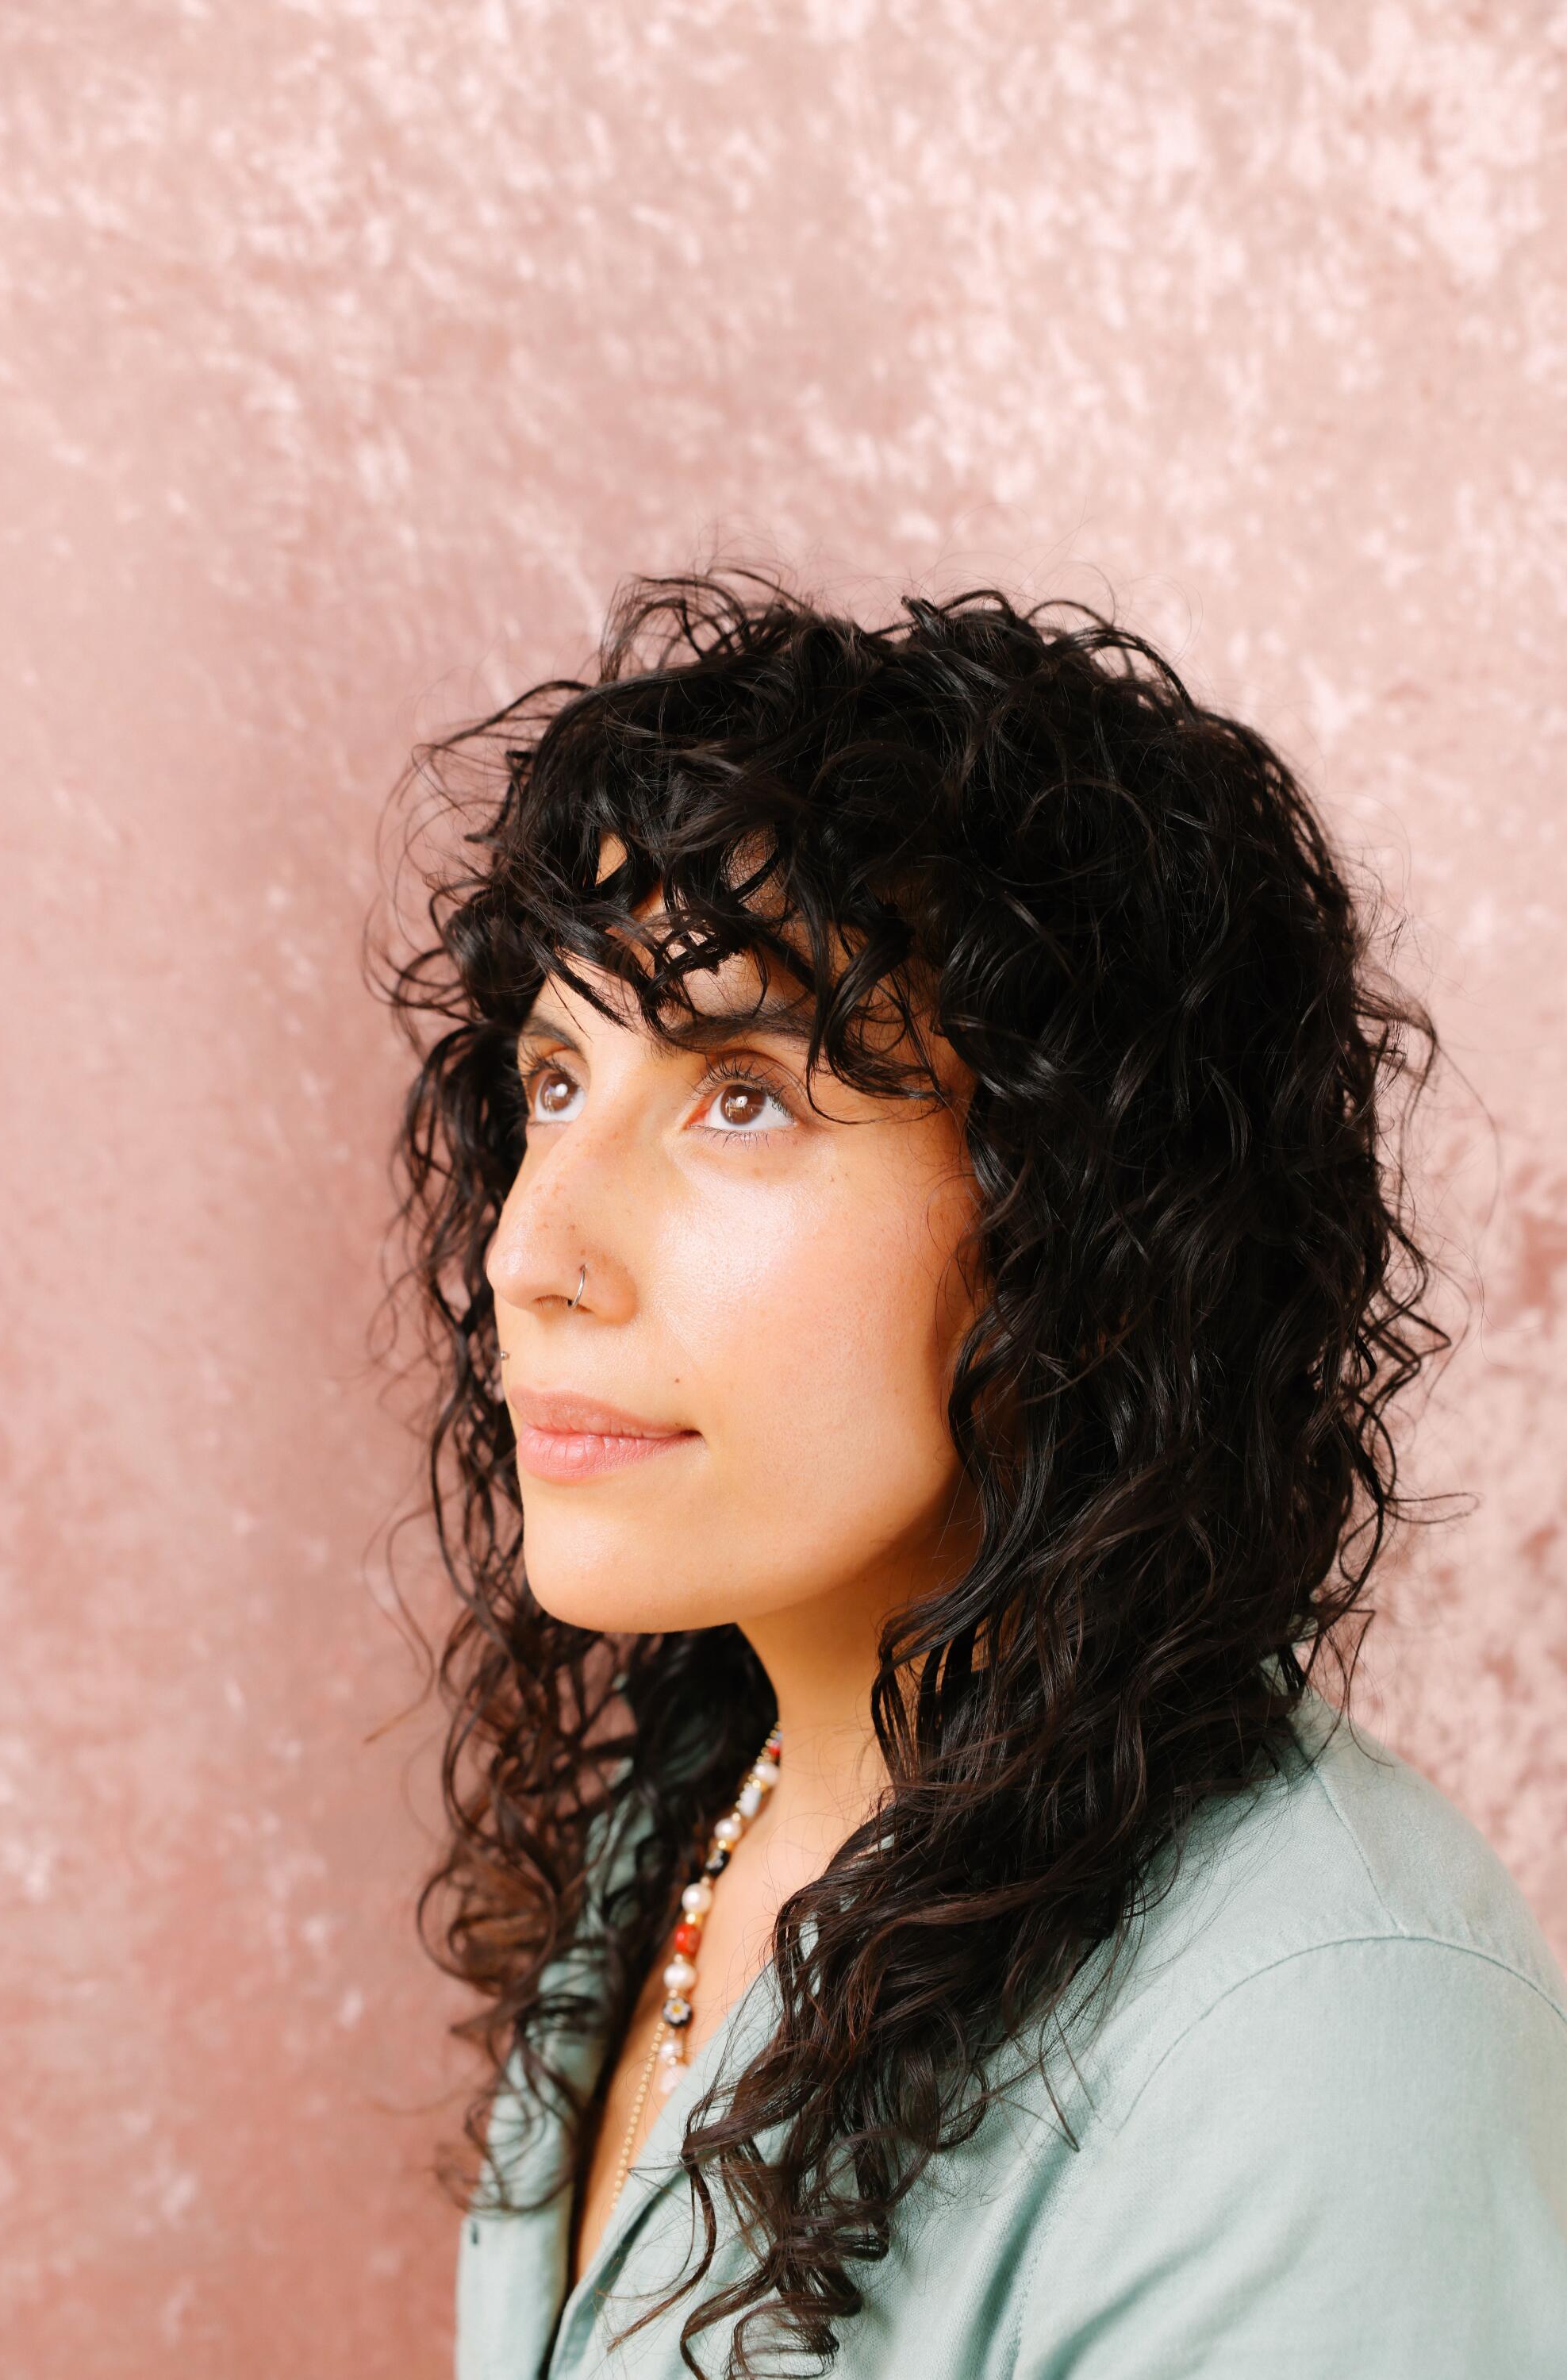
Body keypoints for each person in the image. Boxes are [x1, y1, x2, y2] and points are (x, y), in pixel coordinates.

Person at [375, 570, 1567, 2380]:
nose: (532, 1253)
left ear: (1083, 1223)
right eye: (552, 1085)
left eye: (742, 1093)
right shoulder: (680, 1833)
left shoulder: (1321, 2048)